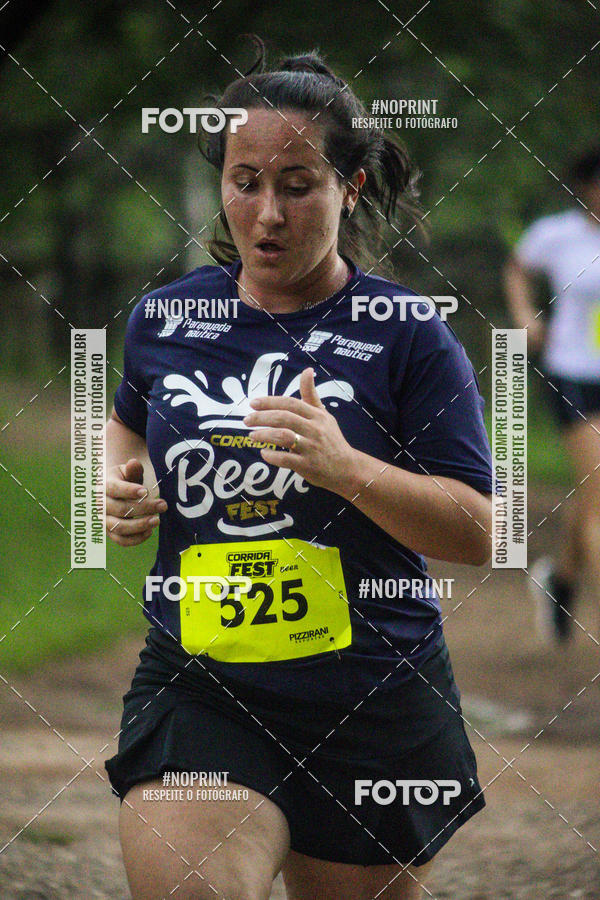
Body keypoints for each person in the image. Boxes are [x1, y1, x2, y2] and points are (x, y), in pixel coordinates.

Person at [104, 38, 493, 900]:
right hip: (204, 680)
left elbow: (477, 530)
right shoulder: (166, 318)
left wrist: (345, 467)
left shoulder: (407, 333)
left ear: (348, 189)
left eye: (297, 186)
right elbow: (127, 423)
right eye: (247, 183)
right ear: (223, 185)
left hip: (371, 693)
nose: (268, 214)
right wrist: (125, 487)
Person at [504, 146, 600, 646]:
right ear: (587, 187)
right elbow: (517, 267)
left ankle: (560, 582)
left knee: (591, 499)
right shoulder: (556, 234)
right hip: (573, 373)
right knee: (599, 495)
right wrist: (525, 315)